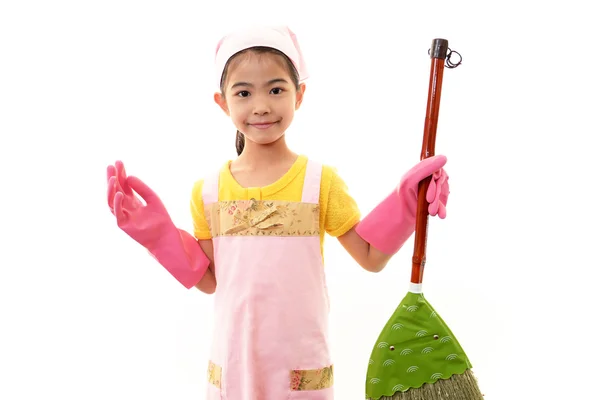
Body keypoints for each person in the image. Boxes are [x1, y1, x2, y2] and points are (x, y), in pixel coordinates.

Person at [106, 25, 450, 400]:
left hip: (299, 368)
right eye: (243, 92)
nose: (261, 106)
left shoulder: (320, 182)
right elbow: (209, 280)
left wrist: (407, 201)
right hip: (234, 366)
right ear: (223, 103)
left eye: (276, 89)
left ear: (299, 95)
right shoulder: (207, 191)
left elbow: (370, 256)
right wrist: (158, 237)